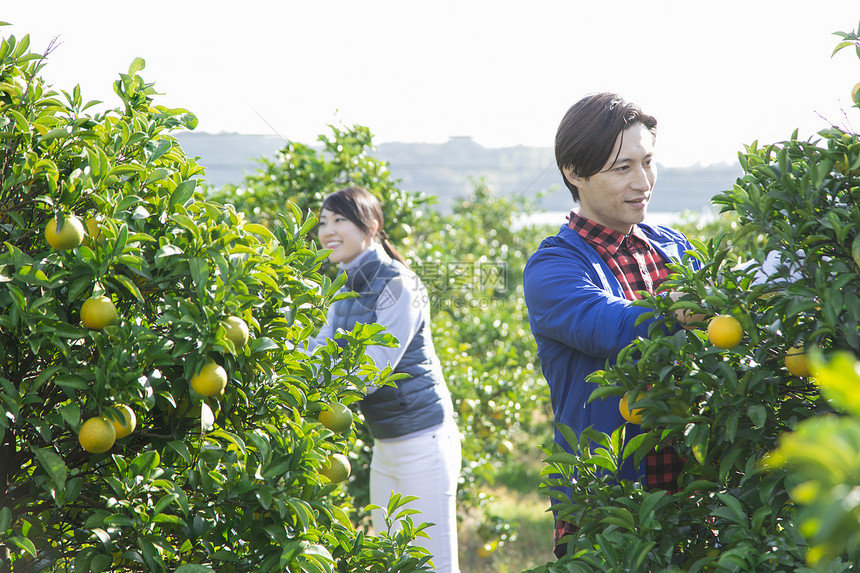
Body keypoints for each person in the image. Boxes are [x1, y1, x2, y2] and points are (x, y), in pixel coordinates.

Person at [522, 93, 703, 558]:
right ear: (574, 173)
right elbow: (613, 327)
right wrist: (681, 309)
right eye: (622, 168)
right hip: (610, 500)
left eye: (648, 162)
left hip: (698, 489)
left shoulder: (675, 248)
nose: (642, 182)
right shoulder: (554, 267)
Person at [307, 186, 461, 573]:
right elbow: (316, 351)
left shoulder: (399, 284)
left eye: (340, 220)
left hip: (423, 442)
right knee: (391, 560)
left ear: (371, 226)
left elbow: (373, 370)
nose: (328, 231)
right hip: (386, 442)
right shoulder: (340, 288)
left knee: (432, 564)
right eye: (324, 222)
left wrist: (314, 387)